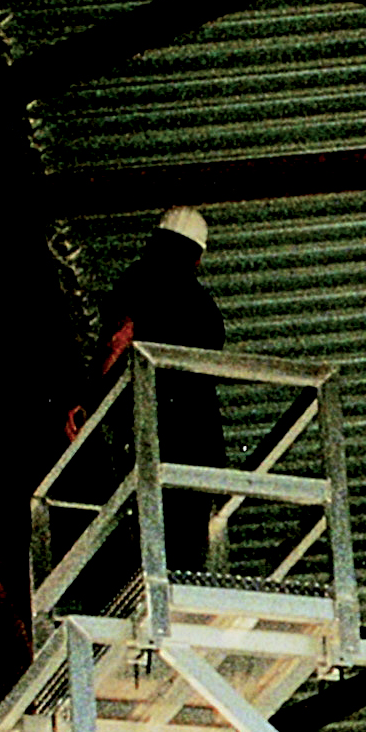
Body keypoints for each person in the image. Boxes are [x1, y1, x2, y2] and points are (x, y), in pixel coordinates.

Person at [66, 206, 227, 572]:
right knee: (187, 547)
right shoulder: (207, 309)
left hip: (154, 434)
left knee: (146, 533)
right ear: (197, 257)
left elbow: (119, 339)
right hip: (201, 444)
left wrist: (89, 401)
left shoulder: (140, 279)